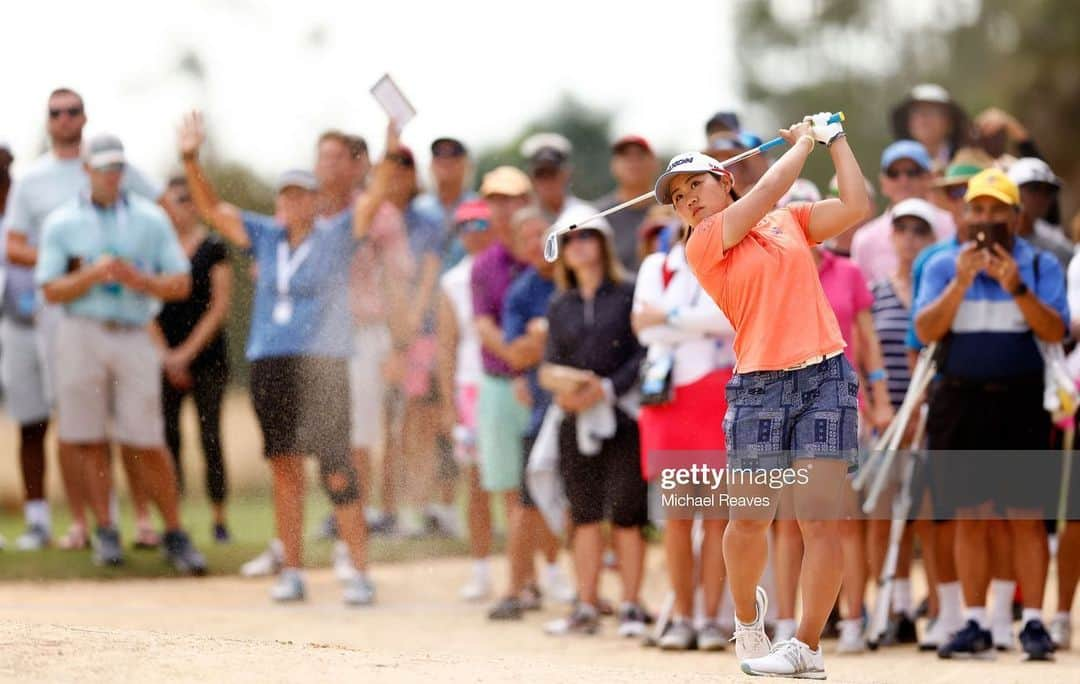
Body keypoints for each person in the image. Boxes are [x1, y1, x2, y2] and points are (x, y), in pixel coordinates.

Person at [656, 112, 871, 678]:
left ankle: (807, 646)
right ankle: (748, 619)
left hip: (825, 376)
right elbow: (770, 185)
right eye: (678, 197)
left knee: (821, 522)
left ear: (725, 179)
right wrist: (803, 144)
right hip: (759, 388)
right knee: (749, 519)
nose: (688, 201)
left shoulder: (789, 222)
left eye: (695, 186)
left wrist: (836, 141)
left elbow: (856, 206)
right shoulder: (704, 243)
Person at [178, 111, 374, 605]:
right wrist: (190, 160)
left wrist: (391, 145)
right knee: (284, 468)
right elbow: (210, 209)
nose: (291, 201)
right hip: (272, 362)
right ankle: (292, 570)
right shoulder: (265, 235)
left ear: (314, 201)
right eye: (284, 194)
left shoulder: (334, 236)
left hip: (323, 363)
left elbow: (377, 200)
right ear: (280, 202)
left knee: (336, 469)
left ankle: (359, 569)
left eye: (300, 194)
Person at [2, 88, 164, 551]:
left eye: (73, 111)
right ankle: (84, 522)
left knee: (131, 424)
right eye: (56, 112)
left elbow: (164, 214)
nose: (65, 119)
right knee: (75, 424)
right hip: (61, 312)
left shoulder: (117, 170)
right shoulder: (32, 181)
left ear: (85, 117)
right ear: (48, 120)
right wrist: (62, 263)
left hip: (122, 313)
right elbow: (12, 245)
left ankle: (145, 519)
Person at [35, 133, 205, 573]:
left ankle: (174, 532)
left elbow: (180, 282)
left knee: (146, 439)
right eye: (104, 168)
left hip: (133, 332)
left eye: (118, 168)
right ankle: (106, 530)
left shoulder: (150, 220)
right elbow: (51, 289)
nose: (113, 176)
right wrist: (92, 276)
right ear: (87, 171)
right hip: (80, 330)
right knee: (87, 437)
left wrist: (140, 281)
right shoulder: (62, 222)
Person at [914, 168, 1066, 661]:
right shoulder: (942, 265)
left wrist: (1017, 286)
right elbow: (926, 330)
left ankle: (1035, 623)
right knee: (969, 515)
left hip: (1020, 398)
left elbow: (1054, 331)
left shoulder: (1040, 265)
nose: (986, 219)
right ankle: (975, 621)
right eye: (977, 209)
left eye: (997, 210)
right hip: (959, 400)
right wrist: (960, 283)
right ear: (963, 215)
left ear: (1015, 217)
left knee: (1026, 517)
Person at [539, 215, 649, 638]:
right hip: (574, 416)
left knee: (626, 511)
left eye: (587, 235)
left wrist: (607, 387)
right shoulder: (560, 304)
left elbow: (641, 353)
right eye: (571, 239)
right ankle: (585, 604)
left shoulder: (627, 292)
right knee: (583, 513)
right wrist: (565, 391)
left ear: (602, 243)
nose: (579, 244)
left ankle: (632, 605)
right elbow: (550, 362)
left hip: (622, 414)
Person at [632, 215, 736, 651]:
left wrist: (672, 315)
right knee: (677, 517)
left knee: (715, 517)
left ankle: (711, 617)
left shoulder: (729, 262)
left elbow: (729, 320)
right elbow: (642, 325)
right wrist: (694, 319)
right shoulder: (657, 266)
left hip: (715, 393)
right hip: (669, 399)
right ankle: (683, 617)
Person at [487, 206, 573, 620]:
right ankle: (515, 588)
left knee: (593, 506)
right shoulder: (521, 292)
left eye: (544, 234)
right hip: (543, 411)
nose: (538, 244)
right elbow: (515, 352)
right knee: (526, 502)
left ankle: (592, 594)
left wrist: (545, 334)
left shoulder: (580, 275)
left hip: (589, 406)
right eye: (528, 238)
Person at [866, 197, 941, 648]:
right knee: (881, 512)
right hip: (884, 415)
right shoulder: (875, 293)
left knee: (928, 513)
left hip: (929, 413)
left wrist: (921, 408)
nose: (910, 238)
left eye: (920, 230)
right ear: (891, 236)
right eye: (903, 229)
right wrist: (881, 408)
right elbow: (861, 352)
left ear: (931, 238)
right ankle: (890, 604)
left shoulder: (938, 287)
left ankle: (934, 605)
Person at [152, 175, 232, 543]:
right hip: (163, 359)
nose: (180, 206)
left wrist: (185, 354)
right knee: (168, 440)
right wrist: (167, 356)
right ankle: (175, 520)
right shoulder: (155, 252)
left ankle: (219, 518)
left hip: (208, 359)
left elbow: (219, 307)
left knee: (210, 437)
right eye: (174, 199)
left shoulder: (214, 247)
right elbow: (145, 308)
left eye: (186, 198)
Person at [436, 199, 496, 601]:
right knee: (476, 482)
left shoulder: (507, 268)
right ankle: (480, 570)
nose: (473, 230)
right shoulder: (453, 281)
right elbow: (446, 345)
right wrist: (446, 403)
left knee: (522, 481)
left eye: (480, 222)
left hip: (503, 379)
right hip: (469, 387)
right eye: (465, 224)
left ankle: (545, 568)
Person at [850, 140, 956, 285]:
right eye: (894, 173)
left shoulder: (953, 226)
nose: (903, 180)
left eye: (912, 172)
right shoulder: (865, 239)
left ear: (930, 177)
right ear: (883, 182)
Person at [594, 135, 659, 272]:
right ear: (613, 165)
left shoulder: (674, 209)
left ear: (654, 163)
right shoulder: (597, 216)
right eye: (625, 157)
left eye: (640, 156)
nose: (633, 163)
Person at [413, 136, 478, 271]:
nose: (446, 161)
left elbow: (479, 251)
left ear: (466, 164)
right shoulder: (418, 208)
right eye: (439, 155)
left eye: (454, 155)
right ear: (431, 164)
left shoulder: (477, 207)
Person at [1008, 157, 1071, 268]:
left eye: (1050, 190)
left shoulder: (1059, 247)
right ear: (1012, 190)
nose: (1042, 197)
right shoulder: (991, 237)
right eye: (1034, 188)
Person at [889, 84, 970, 171]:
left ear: (950, 121)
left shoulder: (969, 160)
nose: (923, 118)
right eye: (917, 112)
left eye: (933, 112)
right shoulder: (897, 163)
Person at [519, 133, 594, 224]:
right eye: (540, 174)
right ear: (531, 177)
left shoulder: (586, 215)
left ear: (566, 174)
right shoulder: (524, 221)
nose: (547, 181)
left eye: (552, 173)